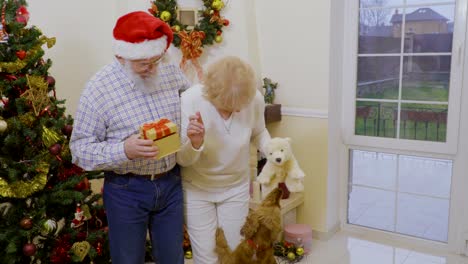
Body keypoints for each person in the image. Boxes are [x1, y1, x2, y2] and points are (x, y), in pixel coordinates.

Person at [70, 11, 192, 264]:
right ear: (121, 56)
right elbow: (80, 150)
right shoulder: (98, 89)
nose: (152, 68)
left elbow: (193, 104)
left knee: (173, 258)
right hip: (126, 190)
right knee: (128, 259)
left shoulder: (169, 72)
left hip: (171, 182)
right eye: (143, 63)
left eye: (156, 60)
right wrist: (124, 150)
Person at [177, 56, 271, 264]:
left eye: (240, 106)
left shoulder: (254, 98)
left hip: (235, 187)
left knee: (235, 253)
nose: (236, 111)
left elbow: (259, 131)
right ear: (211, 94)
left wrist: (271, 149)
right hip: (197, 190)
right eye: (228, 107)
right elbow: (182, 160)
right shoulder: (191, 100)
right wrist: (195, 143)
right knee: (207, 256)